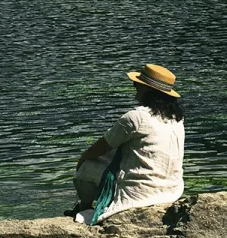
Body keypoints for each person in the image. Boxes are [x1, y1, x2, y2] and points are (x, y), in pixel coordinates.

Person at [72, 62, 185, 225]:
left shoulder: (135, 117)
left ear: (147, 90)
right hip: (172, 190)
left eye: (138, 84)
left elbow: (100, 148)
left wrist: (82, 159)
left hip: (141, 192)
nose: (134, 86)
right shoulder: (176, 118)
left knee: (86, 166)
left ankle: (84, 206)